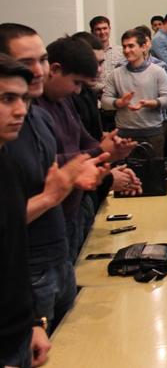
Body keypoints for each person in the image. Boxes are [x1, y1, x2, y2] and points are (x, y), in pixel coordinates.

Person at [2, 24, 107, 332]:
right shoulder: (7, 133)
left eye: (43, 60)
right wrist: (52, 196)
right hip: (30, 269)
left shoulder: (39, 116)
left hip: (58, 255)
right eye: (26, 63)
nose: (39, 71)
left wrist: (76, 178)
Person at [38, 37, 135, 262]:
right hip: (52, 215)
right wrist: (100, 153)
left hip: (76, 204)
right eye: (76, 82)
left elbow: (85, 139)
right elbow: (46, 162)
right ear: (55, 70)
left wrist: (109, 152)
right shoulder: (35, 107)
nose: (77, 90)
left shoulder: (65, 99)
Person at [0, 54, 52, 368]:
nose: (20, 110)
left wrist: (32, 322)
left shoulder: (9, 167)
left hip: (18, 338)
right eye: (7, 99)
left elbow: (15, 261)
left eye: (23, 99)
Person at [101, 28, 167, 159]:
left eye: (131, 46)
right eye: (124, 46)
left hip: (151, 132)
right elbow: (105, 101)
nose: (127, 50)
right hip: (124, 133)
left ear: (143, 47)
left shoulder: (158, 71)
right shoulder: (116, 73)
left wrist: (148, 103)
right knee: (125, 170)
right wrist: (120, 102)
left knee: (152, 170)